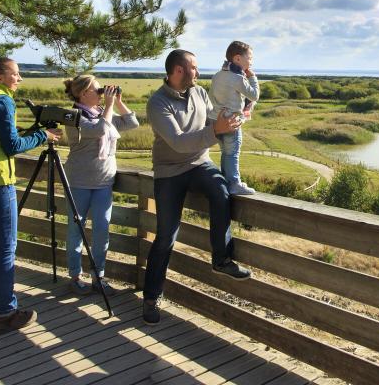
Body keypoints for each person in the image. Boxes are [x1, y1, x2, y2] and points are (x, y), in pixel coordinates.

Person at [142, 49, 252, 325]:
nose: (198, 72)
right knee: (166, 236)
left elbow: (211, 124)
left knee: (220, 191)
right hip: (169, 171)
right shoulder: (158, 103)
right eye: (194, 67)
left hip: (199, 163)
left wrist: (231, 121)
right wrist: (216, 131)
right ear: (178, 71)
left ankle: (221, 259)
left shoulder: (200, 93)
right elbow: (178, 142)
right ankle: (151, 298)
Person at [0, 57, 61, 335]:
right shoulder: (1, 100)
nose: (20, 78)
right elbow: (11, 145)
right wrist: (42, 136)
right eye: (16, 74)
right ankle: (5, 314)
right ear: (0, 78)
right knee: (4, 250)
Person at [63, 75, 139, 296]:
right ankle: (75, 276)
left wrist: (118, 101)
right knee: (76, 230)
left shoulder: (101, 113)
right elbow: (99, 130)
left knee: (101, 231)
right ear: (83, 93)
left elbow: (132, 122)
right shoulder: (74, 116)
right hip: (79, 181)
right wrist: (108, 106)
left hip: (104, 182)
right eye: (97, 90)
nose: (101, 93)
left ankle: (99, 277)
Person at [208, 41, 260, 195]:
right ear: (238, 59)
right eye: (249, 58)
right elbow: (254, 95)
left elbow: (211, 98)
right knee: (232, 153)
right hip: (231, 122)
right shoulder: (237, 78)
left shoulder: (217, 76)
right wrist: (253, 78)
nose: (251, 61)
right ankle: (234, 183)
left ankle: (226, 180)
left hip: (216, 120)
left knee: (226, 152)